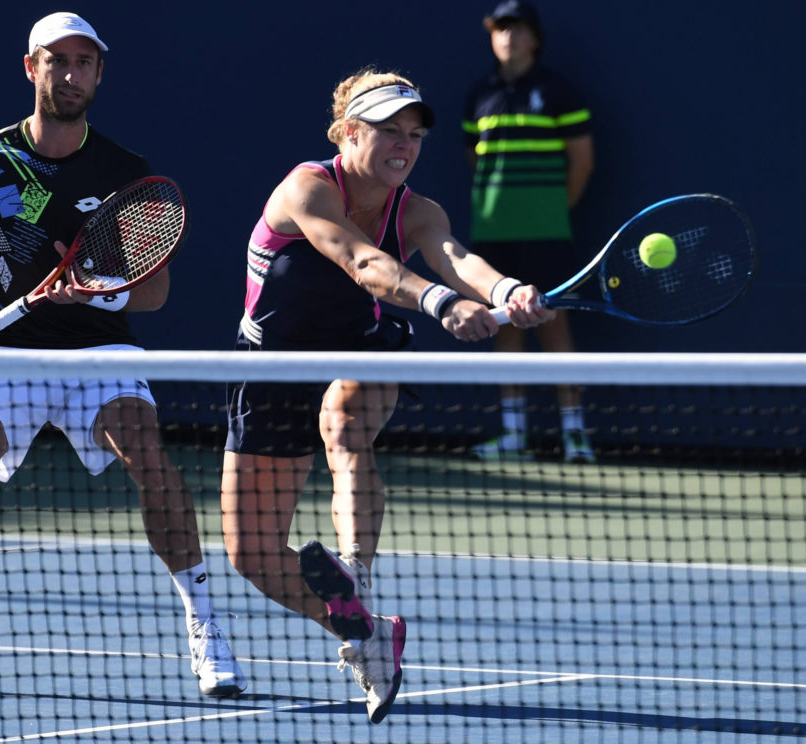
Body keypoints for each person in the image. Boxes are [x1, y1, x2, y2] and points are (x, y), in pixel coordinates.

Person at [0, 12, 245, 699]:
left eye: (84, 63)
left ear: (99, 73)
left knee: (147, 450)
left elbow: (156, 294)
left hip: (97, 350)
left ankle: (206, 625)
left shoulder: (126, 174)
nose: (71, 73)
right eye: (59, 61)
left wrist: (100, 294)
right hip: (3, 349)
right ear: (32, 68)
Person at [220, 68, 553, 723]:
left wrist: (505, 290)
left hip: (361, 347)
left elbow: (455, 257)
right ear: (348, 133)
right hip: (271, 365)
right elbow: (361, 261)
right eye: (387, 131)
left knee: (344, 425)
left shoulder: (419, 210)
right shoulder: (306, 188)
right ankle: (367, 633)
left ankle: (355, 575)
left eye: (414, 134)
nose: (404, 144)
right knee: (250, 553)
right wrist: (441, 302)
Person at [463, 0, 597, 463]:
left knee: (553, 324)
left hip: (545, 233)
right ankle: (514, 435)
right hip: (493, 232)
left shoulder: (558, 90)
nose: (508, 37)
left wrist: (552, 211)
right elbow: (474, 159)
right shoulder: (479, 94)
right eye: (501, 29)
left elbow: (582, 161)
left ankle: (575, 437)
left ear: (534, 38)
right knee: (504, 325)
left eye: (517, 29)